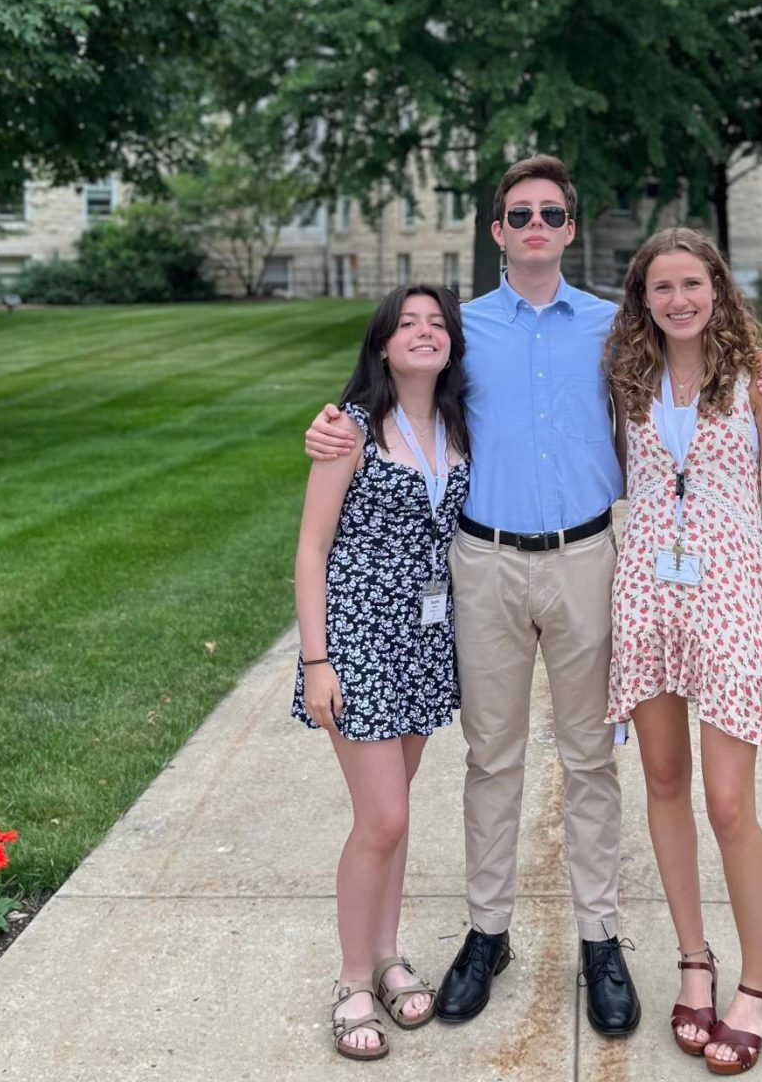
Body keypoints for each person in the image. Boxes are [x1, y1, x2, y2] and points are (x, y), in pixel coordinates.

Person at [303, 155, 762, 1038]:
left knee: (589, 761)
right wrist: (333, 418)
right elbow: (399, 384)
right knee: (492, 757)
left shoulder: (619, 328)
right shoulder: (460, 329)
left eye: (551, 214)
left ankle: (600, 936)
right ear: (497, 230)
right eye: (518, 214)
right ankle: (487, 931)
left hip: (589, 560)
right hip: (484, 564)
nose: (535, 227)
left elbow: (704, 347)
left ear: (571, 228)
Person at [605, 227, 762, 1075]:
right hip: (646, 594)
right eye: (662, 288)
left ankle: (758, 980)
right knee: (662, 782)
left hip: (728, 595)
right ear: (642, 299)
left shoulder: (761, 377)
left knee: (728, 802)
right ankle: (694, 957)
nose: (679, 300)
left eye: (693, 284)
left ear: (717, 289)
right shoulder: (627, 377)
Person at [294, 284, 470, 1061]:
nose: (424, 333)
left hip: (428, 643)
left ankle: (390, 953)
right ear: (384, 343)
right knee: (384, 819)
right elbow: (311, 547)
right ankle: (352, 979)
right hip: (360, 642)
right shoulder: (350, 430)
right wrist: (316, 659)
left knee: (394, 816)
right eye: (409, 324)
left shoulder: (460, 424)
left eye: (437, 324)